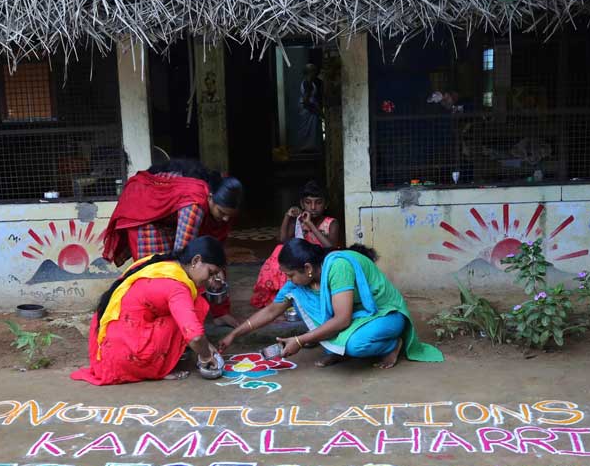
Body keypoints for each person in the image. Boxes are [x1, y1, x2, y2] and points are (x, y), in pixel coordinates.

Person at [221, 239, 443, 369]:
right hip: (356, 318)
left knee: (357, 345)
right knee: (299, 298)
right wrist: (234, 335)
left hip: (383, 315)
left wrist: (299, 340)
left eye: (290, 275)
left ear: (307, 268)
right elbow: (271, 310)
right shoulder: (301, 282)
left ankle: (392, 344)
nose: (288, 280)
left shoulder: (338, 267)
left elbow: (342, 319)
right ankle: (339, 348)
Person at [101, 158, 242, 327]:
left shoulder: (222, 210)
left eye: (229, 215)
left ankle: (180, 320)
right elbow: (183, 259)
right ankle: (157, 324)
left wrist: (221, 309)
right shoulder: (195, 204)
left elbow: (215, 254)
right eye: (221, 212)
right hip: (145, 209)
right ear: (210, 197)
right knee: (160, 274)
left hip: (168, 215)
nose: (225, 219)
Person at [71, 236, 226, 385]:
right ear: (196, 261)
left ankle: (158, 361)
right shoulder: (177, 287)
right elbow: (195, 337)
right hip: (124, 354)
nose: (211, 279)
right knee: (195, 309)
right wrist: (206, 356)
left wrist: (207, 346)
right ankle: (155, 369)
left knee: (192, 306)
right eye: (211, 273)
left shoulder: (165, 264)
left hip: (109, 344)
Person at [250, 181, 340, 309]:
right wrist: (288, 216)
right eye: (308, 203)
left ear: (326, 204)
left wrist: (311, 226)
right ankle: (282, 295)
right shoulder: (300, 221)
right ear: (302, 204)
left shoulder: (331, 223)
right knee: (279, 250)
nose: (313, 207)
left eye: (318, 203)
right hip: (302, 260)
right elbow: (283, 240)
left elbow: (331, 248)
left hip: (320, 261)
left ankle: (296, 298)